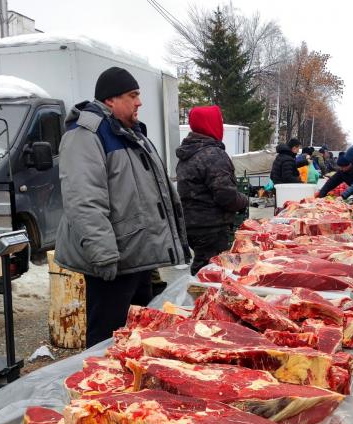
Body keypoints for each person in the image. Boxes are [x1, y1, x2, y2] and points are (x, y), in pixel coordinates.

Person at [56, 66, 190, 347]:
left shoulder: (131, 133)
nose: (139, 102)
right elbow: (84, 200)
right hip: (114, 261)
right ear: (110, 100)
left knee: (136, 336)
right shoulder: (86, 136)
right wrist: (103, 254)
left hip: (138, 257)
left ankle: (129, 388)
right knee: (106, 339)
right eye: (133, 95)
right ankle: (96, 389)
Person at [176, 105, 248, 275]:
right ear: (211, 124)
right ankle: (200, 299)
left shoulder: (188, 153)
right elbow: (226, 196)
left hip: (193, 226)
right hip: (212, 228)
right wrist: (244, 200)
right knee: (211, 273)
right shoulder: (213, 155)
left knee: (203, 266)